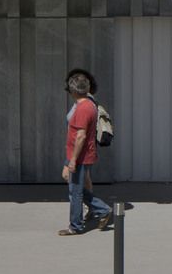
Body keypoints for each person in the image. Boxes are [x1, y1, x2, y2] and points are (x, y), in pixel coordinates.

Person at [59, 69, 111, 236]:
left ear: (73, 91)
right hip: (81, 155)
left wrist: (72, 160)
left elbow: (80, 136)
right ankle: (101, 210)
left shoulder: (83, 109)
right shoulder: (89, 104)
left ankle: (76, 225)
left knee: (75, 192)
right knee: (77, 189)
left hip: (80, 156)